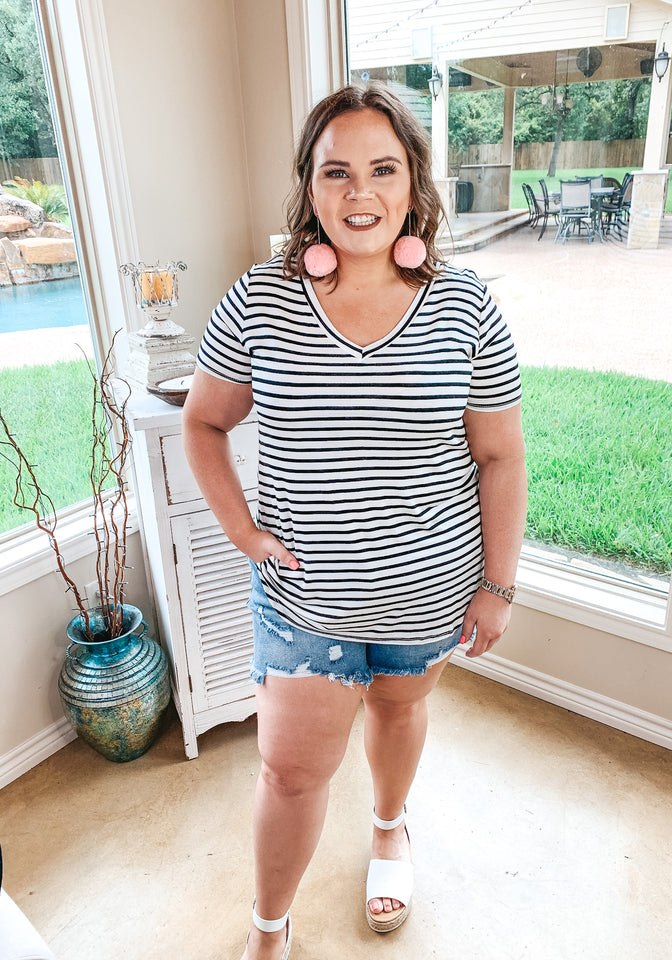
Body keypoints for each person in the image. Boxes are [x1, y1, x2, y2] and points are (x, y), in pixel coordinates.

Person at [182, 82, 527, 960]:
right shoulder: (261, 300)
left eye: (383, 169)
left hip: (428, 598)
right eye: (337, 172)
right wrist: (243, 533)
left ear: (414, 186)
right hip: (304, 602)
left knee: (400, 715)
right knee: (291, 773)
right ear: (311, 189)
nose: (360, 193)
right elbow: (204, 421)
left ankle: (387, 827)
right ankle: (269, 927)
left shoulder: (467, 307)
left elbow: (499, 458)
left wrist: (496, 586)